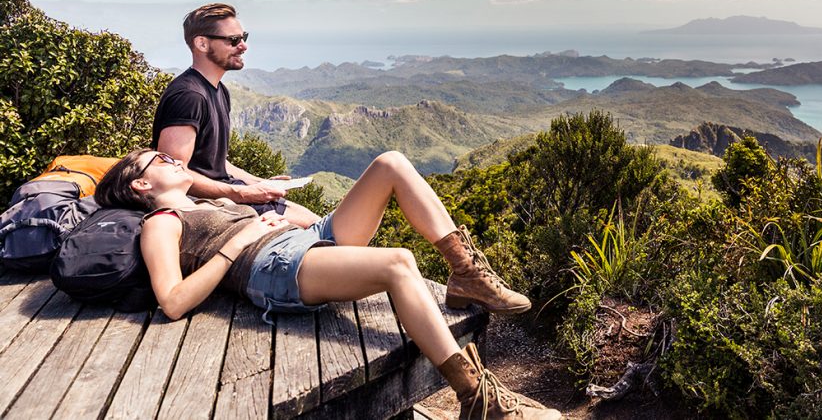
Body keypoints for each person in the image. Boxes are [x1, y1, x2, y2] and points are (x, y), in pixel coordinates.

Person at [94, 148, 557, 420]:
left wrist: (282, 213)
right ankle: (476, 398)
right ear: (139, 186)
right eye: (158, 159)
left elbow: (267, 218)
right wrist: (238, 245)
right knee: (399, 263)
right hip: (269, 266)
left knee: (391, 163)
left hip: (300, 241)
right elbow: (173, 302)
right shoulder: (162, 222)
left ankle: (465, 272)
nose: (172, 157)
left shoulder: (199, 199)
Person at [152, 3, 319, 228]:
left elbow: (215, 163)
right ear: (202, 43)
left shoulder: (219, 90)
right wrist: (241, 193)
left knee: (323, 223)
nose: (243, 46)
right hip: (209, 204)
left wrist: (258, 183)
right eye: (233, 40)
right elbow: (172, 173)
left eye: (244, 37)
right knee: (319, 227)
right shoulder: (189, 96)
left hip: (227, 193)